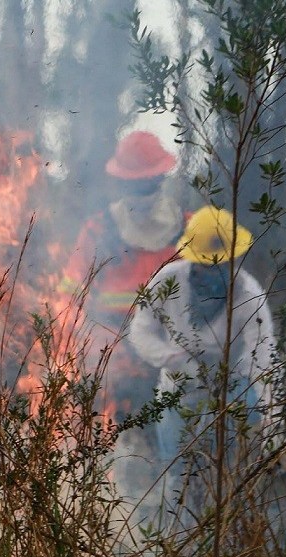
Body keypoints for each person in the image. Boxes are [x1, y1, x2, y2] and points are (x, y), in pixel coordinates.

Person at [127, 206, 279, 519]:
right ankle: (178, 549)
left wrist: (273, 428)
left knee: (226, 475)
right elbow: (140, 332)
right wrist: (175, 359)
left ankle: (225, 540)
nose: (210, 271)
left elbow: (264, 363)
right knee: (177, 475)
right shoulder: (167, 281)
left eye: (219, 264)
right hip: (177, 389)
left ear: (232, 260)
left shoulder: (248, 296)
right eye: (203, 265)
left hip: (231, 388)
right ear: (190, 258)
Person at [59, 130, 188, 422]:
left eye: (148, 184)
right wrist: (89, 342)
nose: (141, 194)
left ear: (161, 180)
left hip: (171, 355)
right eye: (134, 185)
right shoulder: (99, 229)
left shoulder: (188, 229)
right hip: (111, 355)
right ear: (120, 184)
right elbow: (68, 298)